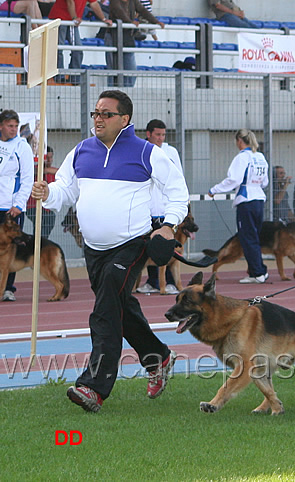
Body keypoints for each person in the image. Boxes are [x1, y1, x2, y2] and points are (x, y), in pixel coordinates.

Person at [31, 90, 189, 412]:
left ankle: (94, 387)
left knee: (104, 311)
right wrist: (48, 191)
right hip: (94, 248)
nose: (98, 119)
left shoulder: (148, 153)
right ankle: (158, 358)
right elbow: (65, 191)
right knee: (119, 306)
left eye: (106, 114)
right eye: (95, 113)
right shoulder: (81, 151)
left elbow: (178, 192)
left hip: (131, 244)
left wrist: (169, 225)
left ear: (124, 119)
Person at [208, 129, 269, 284]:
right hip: (259, 200)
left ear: (239, 141)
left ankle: (257, 272)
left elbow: (234, 179)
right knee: (254, 237)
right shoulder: (260, 157)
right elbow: (265, 182)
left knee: (247, 238)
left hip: (246, 200)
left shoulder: (242, 158)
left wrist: (214, 190)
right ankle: (259, 269)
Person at [137, 119, 183, 295]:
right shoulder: (141, 151)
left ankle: (169, 282)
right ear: (148, 134)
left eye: (163, 135)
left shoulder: (171, 152)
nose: (161, 138)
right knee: (149, 248)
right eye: (157, 134)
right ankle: (152, 281)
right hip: (147, 209)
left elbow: (179, 177)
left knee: (167, 246)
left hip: (166, 210)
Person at [0, 109, 34, 302]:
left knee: (10, 247)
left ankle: (8, 287)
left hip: (10, 207)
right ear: (1, 126)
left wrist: (19, 204)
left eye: (15, 126)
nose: (13, 130)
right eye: (9, 126)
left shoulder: (22, 146)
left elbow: (28, 178)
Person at [49, 0, 111, 84]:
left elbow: (94, 3)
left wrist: (104, 19)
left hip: (71, 20)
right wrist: (74, 17)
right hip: (61, 18)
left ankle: (73, 77)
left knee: (76, 49)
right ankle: (60, 76)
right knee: (59, 48)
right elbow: (70, 2)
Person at [105, 0, 164, 88]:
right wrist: (129, 21)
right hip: (113, 35)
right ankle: (113, 91)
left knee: (130, 68)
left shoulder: (133, 1)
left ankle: (127, 91)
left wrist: (155, 21)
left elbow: (143, 10)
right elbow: (118, 11)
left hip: (128, 36)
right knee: (113, 68)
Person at [26, 145, 57, 238]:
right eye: (47, 157)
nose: (49, 160)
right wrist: (42, 169)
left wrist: (46, 170)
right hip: (33, 206)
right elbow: (34, 171)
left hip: (45, 206)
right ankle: (39, 242)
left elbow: (59, 172)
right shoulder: (36, 170)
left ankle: (41, 242)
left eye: (51, 157)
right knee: (43, 220)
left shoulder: (51, 171)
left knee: (48, 219)